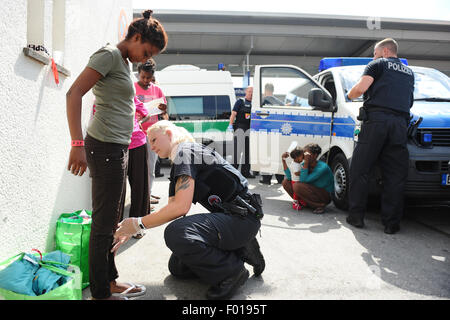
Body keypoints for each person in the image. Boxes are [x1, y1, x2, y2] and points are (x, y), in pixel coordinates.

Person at [66, 9, 168, 300]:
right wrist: (77, 144)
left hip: (119, 148)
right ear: (136, 37)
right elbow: (74, 93)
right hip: (104, 148)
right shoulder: (109, 54)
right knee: (103, 224)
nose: (144, 58)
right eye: (145, 50)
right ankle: (101, 292)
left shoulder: (122, 62)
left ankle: (110, 281)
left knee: (112, 220)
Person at [112, 120, 266, 300]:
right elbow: (171, 208)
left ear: (169, 134)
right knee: (178, 267)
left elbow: (180, 208)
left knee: (177, 233)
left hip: (242, 218)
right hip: (234, 218)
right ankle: (241, 248)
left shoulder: (185, 152)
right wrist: (131, 229)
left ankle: (231, 272)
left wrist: (138, 224)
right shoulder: (182, 158)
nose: (151, 147)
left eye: (154, 140)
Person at [345, 38, 415, 234]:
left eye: (374, 53)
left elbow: (360, 88)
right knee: (395, 175)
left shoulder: (377, 65)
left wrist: (349, 95)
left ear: (384, 51)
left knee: (360, 169)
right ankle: (391, 223)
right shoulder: (409, 72)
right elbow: (409, 101)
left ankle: (356, 217)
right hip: (400, 125)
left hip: (376, 122)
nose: (373, 56)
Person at [135, 58, 167, 204]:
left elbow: (164, 109)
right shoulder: (132, 88)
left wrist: (162, 109)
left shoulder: (157, 89)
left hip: (152, 134)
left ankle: (147, 196)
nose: (146, 80)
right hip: (135, 133)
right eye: (143, 77)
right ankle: (139, 196)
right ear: (138, 74)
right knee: (136, 168)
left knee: (150, 168)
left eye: (148, 77)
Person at [282, 144, 334, 214]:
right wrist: (283, 160)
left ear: (315, 155)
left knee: (297, 186)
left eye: (307, 154)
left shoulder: (322, 167)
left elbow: (303, 180)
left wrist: (306, 162)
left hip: (324, 195)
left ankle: (319, 205)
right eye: (303, 154)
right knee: (286, 182)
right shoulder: (304, 164)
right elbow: (290, 177)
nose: (304, 156)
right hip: (311, 190)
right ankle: (305, 203)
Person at [228, 86, 255, 178]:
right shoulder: (240, 101)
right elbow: (233, 114)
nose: (251, 94)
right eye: (249, 91)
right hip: (239, 128)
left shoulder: (255, 104)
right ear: (246, 92)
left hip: (250, 130)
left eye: (252, 92)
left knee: (248, 152)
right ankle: (233, 172)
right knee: (237, 152)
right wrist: (230, 125)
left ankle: (245, 172)